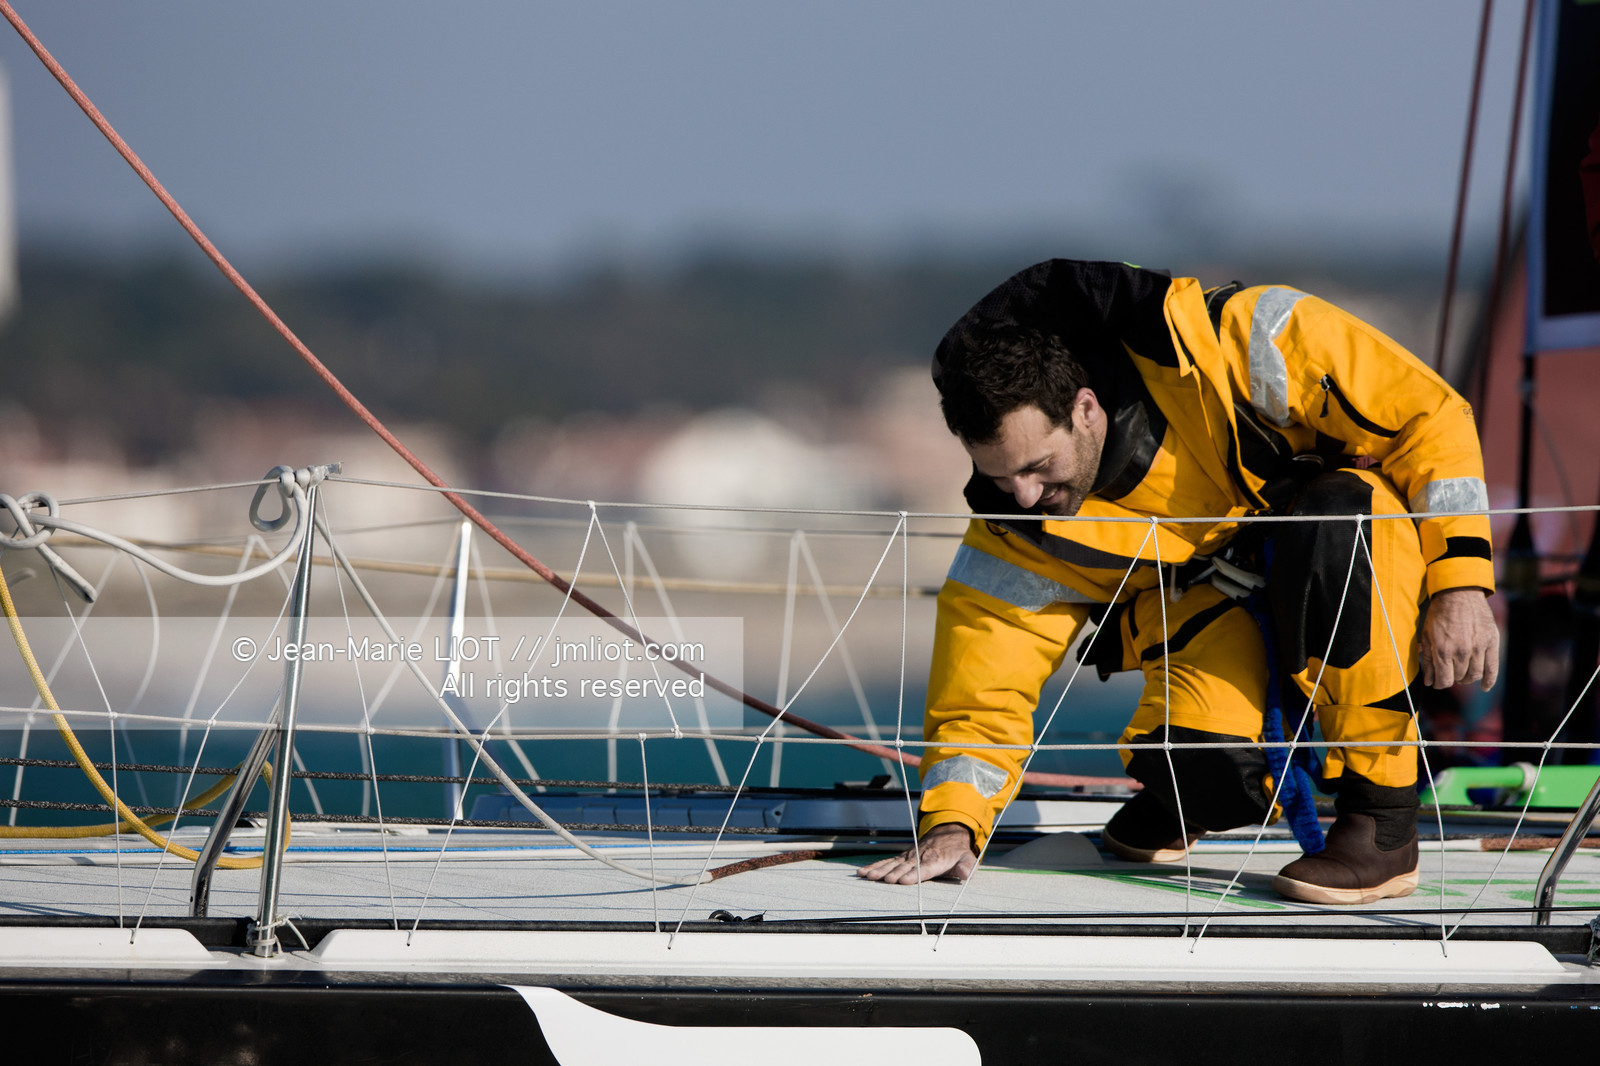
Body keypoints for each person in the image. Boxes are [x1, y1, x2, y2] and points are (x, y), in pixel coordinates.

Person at [858, 259, 1499, 903]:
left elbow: (1432, 417)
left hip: (1353, 554)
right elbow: (980, 694)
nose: (1023, 495)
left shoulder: (1247, 341)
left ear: (1085, 408)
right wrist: (953, 826)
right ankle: (1187, 797)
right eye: (1000, 477)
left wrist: (1461, 585)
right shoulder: (1017, 528)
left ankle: (1382, 821)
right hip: (1226, 607)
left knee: (1337, 511)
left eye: (1038, 465)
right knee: (1208, 773)